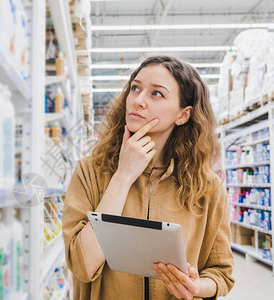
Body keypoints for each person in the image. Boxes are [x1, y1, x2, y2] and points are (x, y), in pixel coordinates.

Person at [63, 55, 234, 300]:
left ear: (183, 115)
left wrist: (197, 287)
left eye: (156, 94)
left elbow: (221, 273)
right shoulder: (89, 172)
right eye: (135, 88)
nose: (138, 100)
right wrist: (123, 176)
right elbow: (82, 264)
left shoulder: (207, 187)